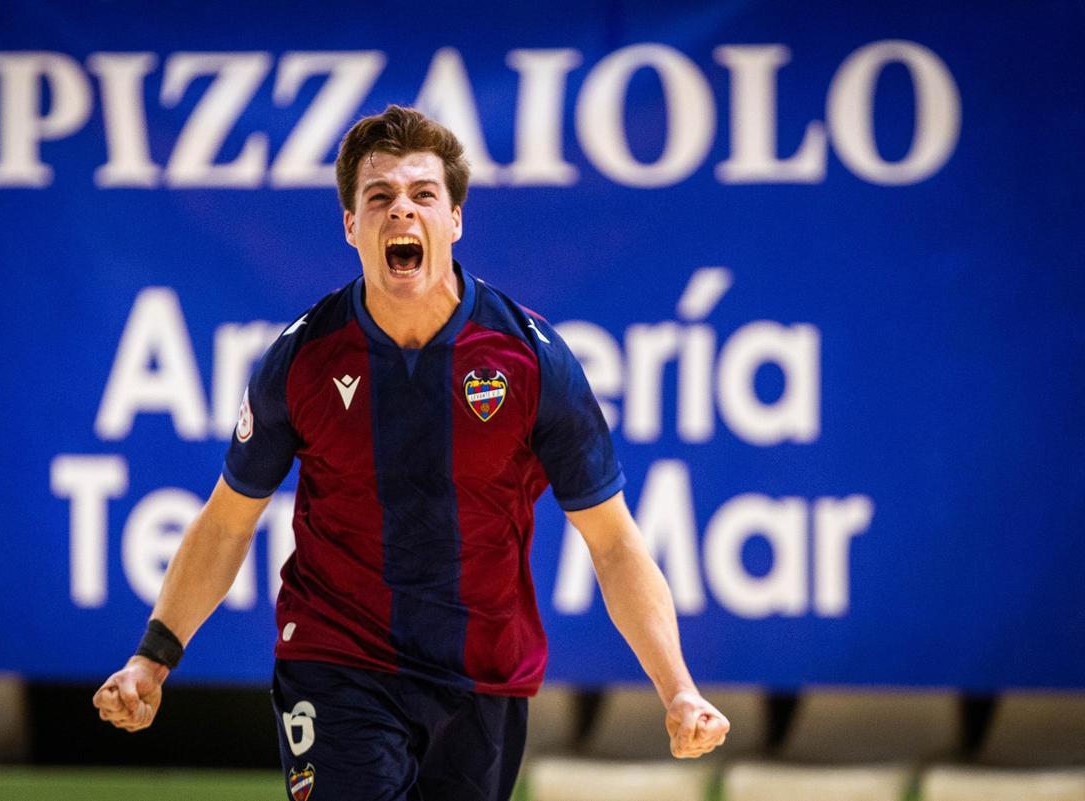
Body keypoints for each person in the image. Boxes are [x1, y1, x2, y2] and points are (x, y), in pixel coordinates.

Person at [93, 105, 729, 800]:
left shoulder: (529, 361)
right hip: (335, 660)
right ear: (350, 226)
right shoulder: (303, 359)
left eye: (424, 195)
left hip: (481, 678)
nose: (403, 212)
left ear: (455, 221)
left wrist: (678, 688)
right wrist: (151, 660)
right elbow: (225, 521)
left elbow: (613, 542)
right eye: (380, 197)